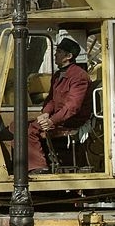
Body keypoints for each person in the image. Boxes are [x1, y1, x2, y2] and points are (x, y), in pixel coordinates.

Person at [28, 37, 93, 174]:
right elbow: (52, 99)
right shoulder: (58, 75)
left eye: (59, 51)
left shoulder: (79, 77)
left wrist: (51, 121)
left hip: (71, 121)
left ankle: (38, 167)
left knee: (29, 130)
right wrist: (46, 113)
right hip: (59, 118)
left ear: (68, 56)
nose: (55, 54)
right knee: (16, 127)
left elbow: (72, 107)